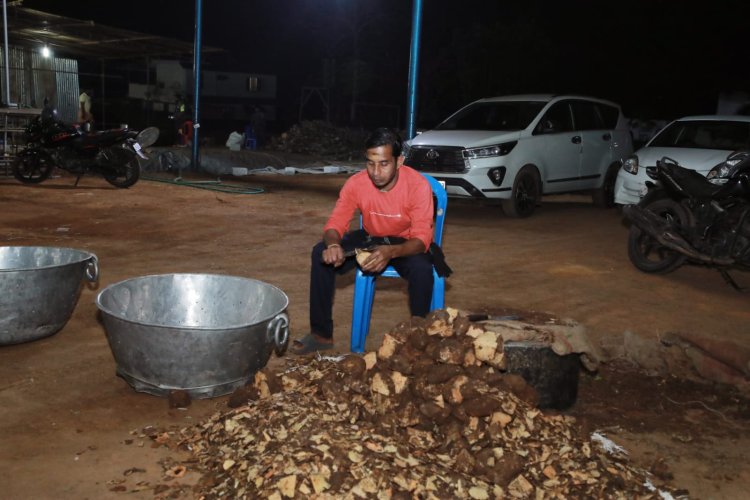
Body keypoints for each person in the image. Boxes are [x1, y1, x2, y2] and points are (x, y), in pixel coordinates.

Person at [291, 127, 435, 354]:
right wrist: (333, 245)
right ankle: (321, 335)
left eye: (384, 164)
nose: (376, 172)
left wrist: (391, 251)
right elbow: (335, 223)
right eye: (370, 163)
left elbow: (421, 240)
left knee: (423, 269)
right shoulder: (356, 183)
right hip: (370, 237)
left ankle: (418, 339)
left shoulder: (418, 185)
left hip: (404, 243)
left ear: (399, 161)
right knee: (320, 254)